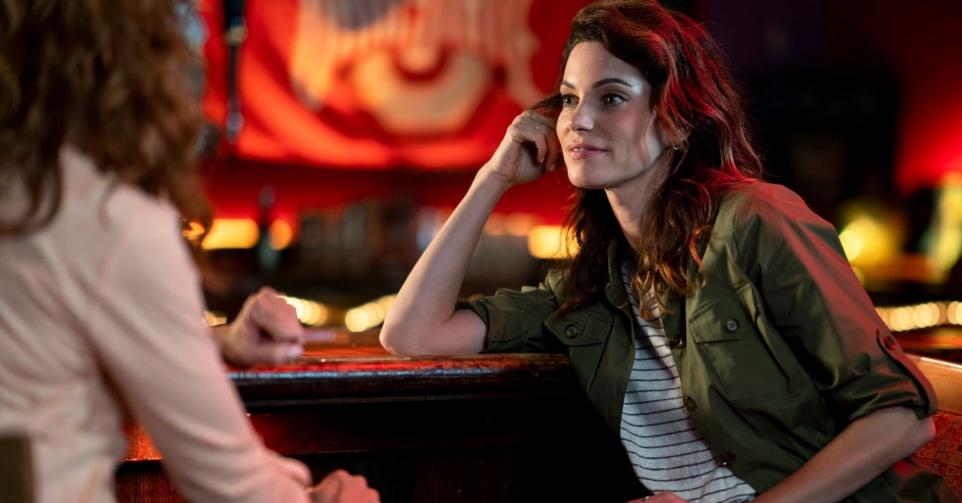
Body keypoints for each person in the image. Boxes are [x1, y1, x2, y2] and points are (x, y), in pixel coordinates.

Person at [380, 1, 958, 501]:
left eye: (611, 98)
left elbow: (902, 418)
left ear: (678, 119)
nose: (579, 121)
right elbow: (411, 334)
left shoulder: (758, 220)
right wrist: (493, 176)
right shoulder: (594, 290)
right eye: (569, 99)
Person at [0, 1, 378, 502]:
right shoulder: (110, 217)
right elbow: (234, 487)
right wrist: (321, 494)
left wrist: (216, 342)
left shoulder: (25, 185)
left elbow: (44, 343)